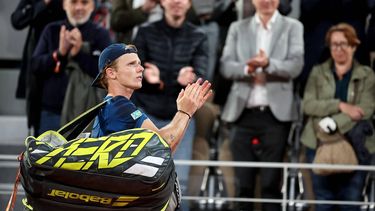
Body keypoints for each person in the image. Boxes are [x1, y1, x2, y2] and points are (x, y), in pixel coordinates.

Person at [90, 43, 212, 210]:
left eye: (139, 63)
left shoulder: (115, 106)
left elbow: (165, 151)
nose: (140, 69)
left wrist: (187, 113)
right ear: (111, 73)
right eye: (131, 64)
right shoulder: (119, 106)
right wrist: (185, 112)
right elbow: (163, 146)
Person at [219, 0, 304, 210]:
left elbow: (296, 66)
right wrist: (248, 68)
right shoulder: (237, 28)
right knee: (242, 187)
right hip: (242, 113)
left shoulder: (293, 26)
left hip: (276, 117)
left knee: (270, 187)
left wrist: (268, 64)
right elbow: (226, 66)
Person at [132, 0, 208, 204]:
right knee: (142, 178)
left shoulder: (198, 36)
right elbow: (131, 74)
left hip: (182, 116)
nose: (176, 1)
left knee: (179, 181)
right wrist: (147, 78)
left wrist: (191, 80)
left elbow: (204, 78)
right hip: (147, 113)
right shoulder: (145, 32)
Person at [301, 23, 375, 211]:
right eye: (334, 44)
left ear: (353, 46)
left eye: (343, 44)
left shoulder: (367, 75)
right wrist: (340, 105)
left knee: (350, 200)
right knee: (323, 200)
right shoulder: (318, 72)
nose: (338, 49)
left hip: (355, 144)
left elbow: (365, 109)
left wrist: (334, 122)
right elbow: (308, 105)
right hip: (319, 142)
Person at [31, 0, 112, 134]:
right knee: (49, 156)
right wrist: (60, 53)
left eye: (84, 2)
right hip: (52, 113)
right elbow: (35, 66)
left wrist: (79, 53)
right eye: (73, 2)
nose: (79, 7)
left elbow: (108, 74)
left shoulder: (101, 34)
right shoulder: (51, 30)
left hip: (88, 116)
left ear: (92, 6)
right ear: (64, 4)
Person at [11, 0, 66, 135]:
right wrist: (43, 3)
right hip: (39, 59)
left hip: (65, 59)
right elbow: (17, 20)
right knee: (37, 107)